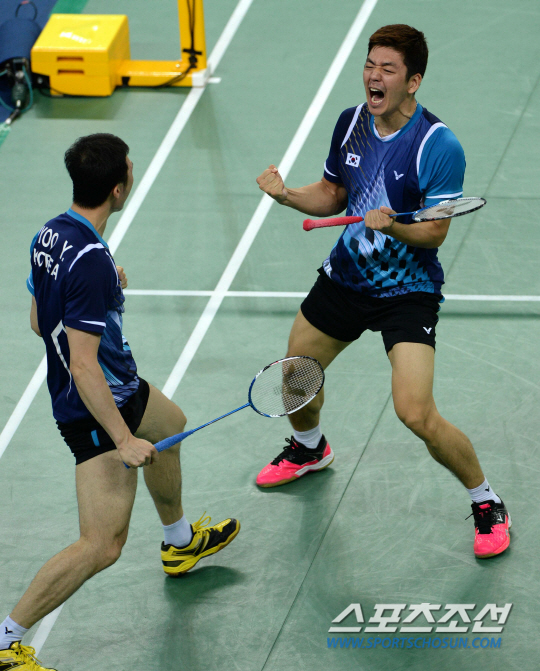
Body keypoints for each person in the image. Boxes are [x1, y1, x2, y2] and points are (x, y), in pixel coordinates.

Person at [255, 25, 510, 560]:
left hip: (407, 290)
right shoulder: (351, 123)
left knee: (415, 413)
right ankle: (310, 449)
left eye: (388, 69)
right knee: (295, 378)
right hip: (346, 277)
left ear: (413, 81)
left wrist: (392, 225)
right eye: (370, 65)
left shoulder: (437, 145)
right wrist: (287, 196)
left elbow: (435, 231)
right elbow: (332, 193)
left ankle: (486, 500)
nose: (374, 76)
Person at [0, 133, 240, 671]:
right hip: (94, 408)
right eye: (129, 168)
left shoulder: (52, 234)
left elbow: (39, 320)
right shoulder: (91, 260)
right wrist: (123, 439)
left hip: (123, 388)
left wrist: (105, 292)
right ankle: (5, 638)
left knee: (170, 425)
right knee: (102, 544)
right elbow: (83, 365)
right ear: (118, 188)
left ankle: (180, 542)